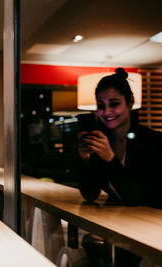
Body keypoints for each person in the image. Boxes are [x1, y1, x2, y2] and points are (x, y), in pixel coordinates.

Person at [77, 68, 162, 267]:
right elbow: (89, 194)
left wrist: (110, 159)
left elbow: (136, 197)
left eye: (114, 104)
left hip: (152, 231)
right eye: (100, 105)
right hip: (120, 228)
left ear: (130, 102)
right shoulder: (101, 141)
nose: (106, 112)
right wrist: (85, 160)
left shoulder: (153, 142)